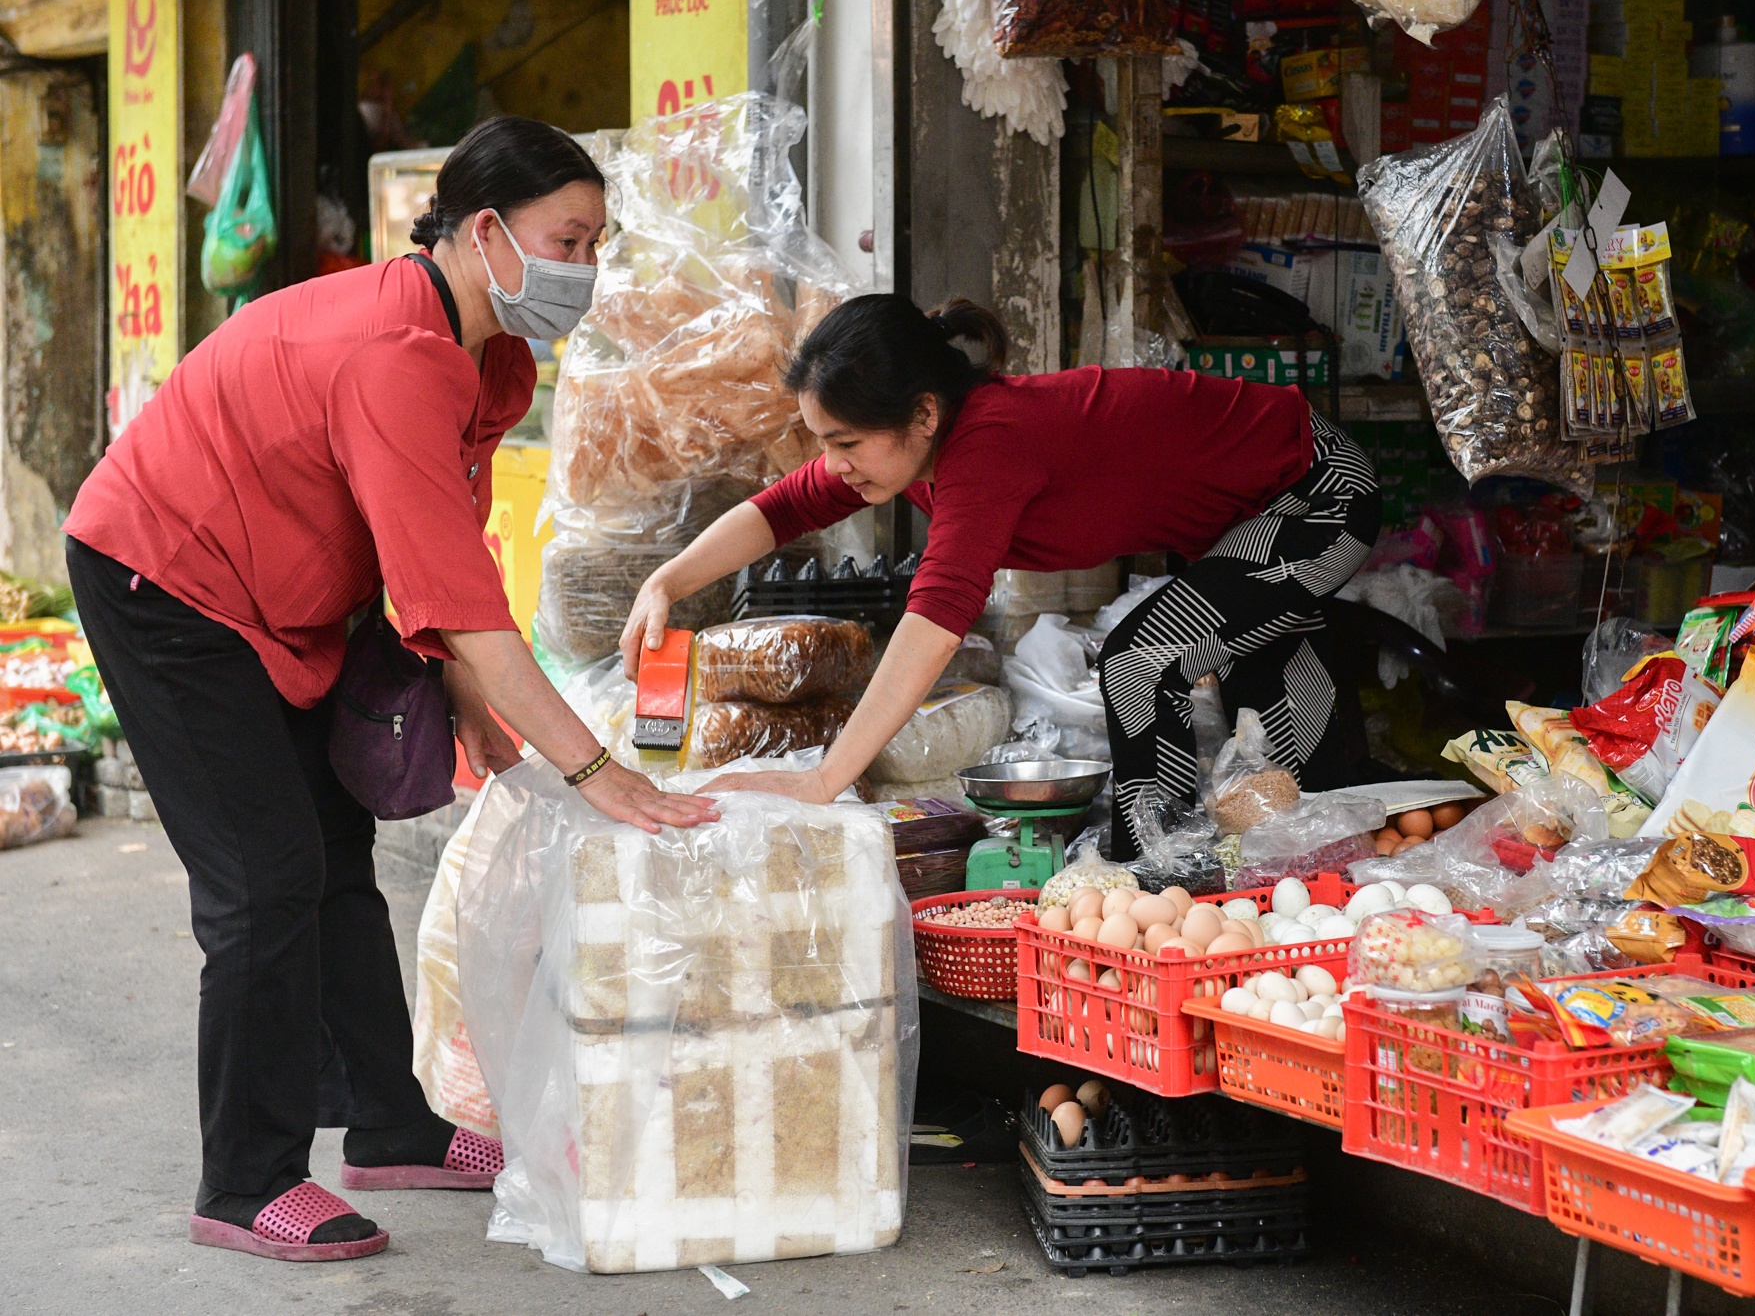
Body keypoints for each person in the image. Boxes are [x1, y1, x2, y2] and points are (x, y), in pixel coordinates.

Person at [65, 117, 716, 1263]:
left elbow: (445, 548)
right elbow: (469, 607)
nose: (587, 268)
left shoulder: (488, 353)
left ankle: (391, 1125)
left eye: (597, 241)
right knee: (265, 882)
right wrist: (600, 772)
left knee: (334, 859)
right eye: (569, 238)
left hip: (289, 590)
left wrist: (466, 690)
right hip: (166, 580)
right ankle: (244, 1180)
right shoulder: (394, 352)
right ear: (482, 231)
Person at [621, 293, 1379, 862]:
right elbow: (782, 507)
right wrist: (667, 581)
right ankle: (1313, 867)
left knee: (1142, 662)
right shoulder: (917, 450)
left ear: (923, 412)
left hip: (1318, 491)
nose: (835, 464)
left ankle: (1166, 873)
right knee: (1294, 770)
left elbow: (934, 620)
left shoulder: (986, 444)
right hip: (1244, 520)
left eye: (846, 441)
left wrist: (824, 780)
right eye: (825, 442)